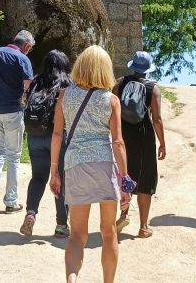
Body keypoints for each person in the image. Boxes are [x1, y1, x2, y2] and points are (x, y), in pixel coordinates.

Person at [50, 45, 133, 283]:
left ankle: (72, 280)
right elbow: (118, 142)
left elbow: (57, 135)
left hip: (75, 164)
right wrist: (125, 180)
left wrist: (54, 170)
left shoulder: (65, 95)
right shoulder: (112, 100)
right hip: (104, 165)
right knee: (108, 232)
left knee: (76, 234)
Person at [112, 51, 166, 238]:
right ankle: (143, 227)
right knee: (146, 179)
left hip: (123, 134)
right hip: (144, 136)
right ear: (148, 69)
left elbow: (112, 109)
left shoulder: (119, 83)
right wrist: (162, 143)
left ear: (132, 66)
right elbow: (157, 119)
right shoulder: (153, 88)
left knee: (125, 173)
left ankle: (124, 214)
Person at [0, 29, 35, 213]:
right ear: (26, 45)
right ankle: (11, 201)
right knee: (14, 156)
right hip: (13, 110)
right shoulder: (23, 59)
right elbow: (28, 88)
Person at [20, 49, 72, 238]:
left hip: (34, 134)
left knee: (38, 177)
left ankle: (31, 213)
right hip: (57, 137)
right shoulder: (67, 83)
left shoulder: (36, 80)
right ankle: (61, 225)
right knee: (61, 178)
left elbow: (25, 100)